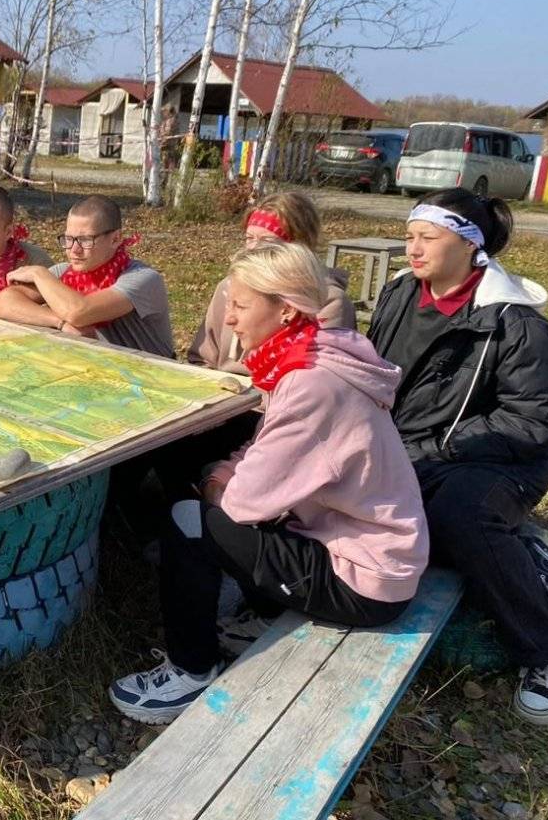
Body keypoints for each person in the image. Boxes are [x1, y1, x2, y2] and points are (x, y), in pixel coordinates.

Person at [109, 242, 428, 724]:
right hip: (356, 540)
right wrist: (225, 473)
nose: (229, 318)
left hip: (365, 577)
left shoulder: (312, 384)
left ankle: (190, 671)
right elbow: (265, 453)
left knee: (190, 521)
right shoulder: (315, 354)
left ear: (285, 310)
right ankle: (258, 615)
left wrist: (215, 482)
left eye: (239, 305)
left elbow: (241, 503)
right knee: (216, 496)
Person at [366, 189, 548, 725]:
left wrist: (434, 449)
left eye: (428, 238)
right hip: (412, 449)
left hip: (499, 462)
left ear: (470, 246)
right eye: (409, 236)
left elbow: (534, 422)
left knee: (457, 514)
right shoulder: (398, 296)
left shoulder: (515, 323)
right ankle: (529, 559)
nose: (412, 249)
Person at [190, 191, 356, 375]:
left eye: (267, 241)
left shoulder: (327, 301)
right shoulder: (229, 288)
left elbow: (315, 377)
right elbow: (202, 359)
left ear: (299, 245)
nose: (253, 249)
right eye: (249, 239)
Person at [0, 194, 174, 358]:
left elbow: (79, 312)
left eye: (86, 240)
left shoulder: (142, 278)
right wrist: (59, 322)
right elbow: (0, 302)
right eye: (69, 239)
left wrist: (39, 273)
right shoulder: (65, 272)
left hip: (152, 378)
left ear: (115, 239)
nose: (74, 250)